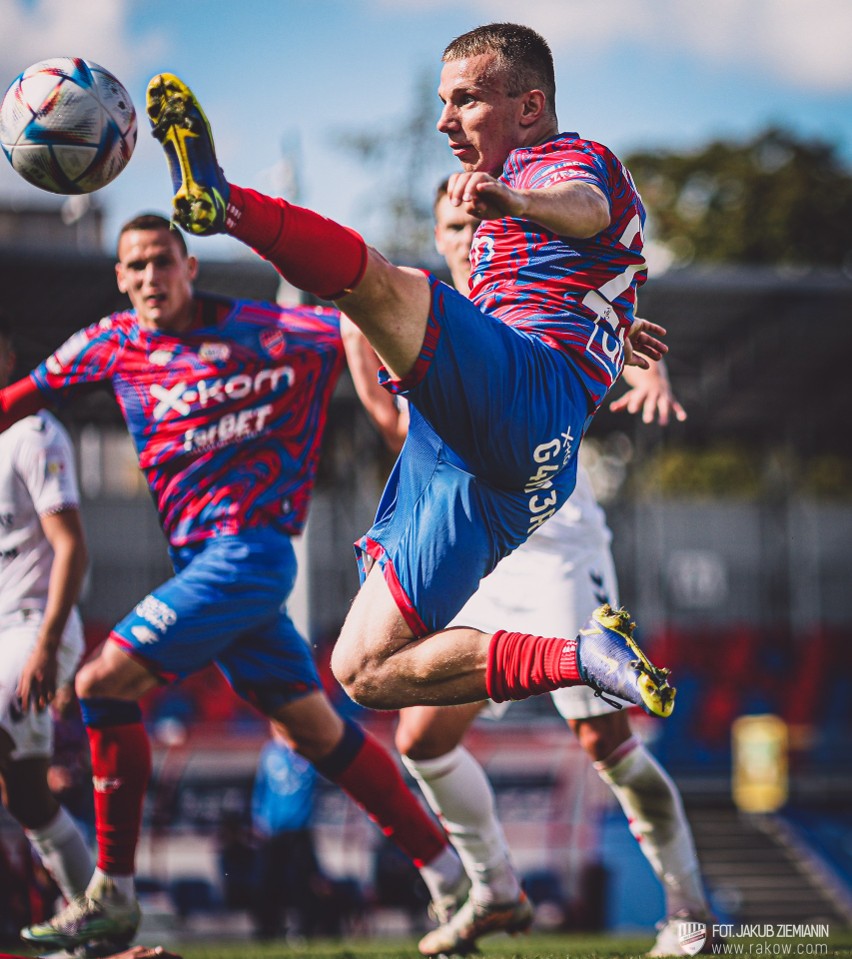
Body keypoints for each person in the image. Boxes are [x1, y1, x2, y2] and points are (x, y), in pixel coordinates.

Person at [145, 17, 676, 938]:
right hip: (485, 468)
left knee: (380, 286)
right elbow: (586, 270)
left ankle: (223, 203)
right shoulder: (503, 243)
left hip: (529, 397)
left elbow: (583, 207)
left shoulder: (570, 159)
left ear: (530, 104)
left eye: (465, 99)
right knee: (364, 671)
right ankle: (583, 659)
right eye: (443, 103)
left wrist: (519, 208)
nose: (446, 122)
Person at [0, 215, 468, 954]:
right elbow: (21, 396)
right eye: (136, 267)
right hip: (204, 569)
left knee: (100, 685)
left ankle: (113, 896)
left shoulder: (279, 331)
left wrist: (398, 385)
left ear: (189, 266)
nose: (151, 277)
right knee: (316, 731)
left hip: (252, 554)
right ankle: (453, 879)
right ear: (120, 280)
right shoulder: (111, 343)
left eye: (162, 261)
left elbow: (367, 314)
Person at [346, 182, 711, 956]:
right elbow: (393, 426)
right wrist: (354, 326)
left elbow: (614, 335)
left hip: (554, 550)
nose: (467, 230)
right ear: (440, 237)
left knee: (605, 744)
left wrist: (644, 368)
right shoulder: (428, 319)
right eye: (453, 221)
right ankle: (497, 889)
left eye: (478, 216)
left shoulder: (540, 296)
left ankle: (691, 915)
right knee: (421, 739)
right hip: (478, 555)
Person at [0, 315, 93, 917]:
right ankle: (95, 914)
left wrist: (48, 648)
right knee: (29, 799)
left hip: (33, 628)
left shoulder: (34, 434)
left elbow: (72, 547)